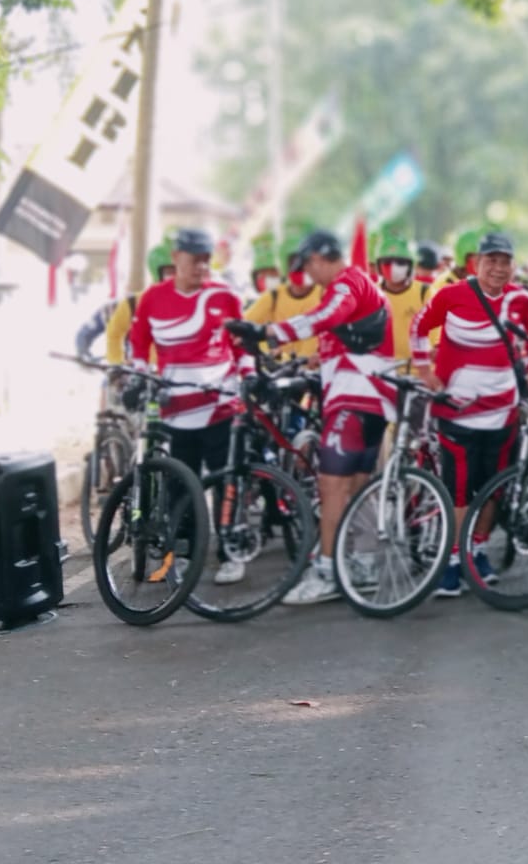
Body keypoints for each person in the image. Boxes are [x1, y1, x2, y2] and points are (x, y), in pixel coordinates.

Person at [228, 229, 396, 606]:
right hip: (372, 400)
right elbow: (341, 340)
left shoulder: (345, 283)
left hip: (354, 399)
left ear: (320, 258)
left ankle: (326, 571)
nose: (307, 274)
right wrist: (307, 367)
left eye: (307, 265)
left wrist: (268, 332)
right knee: (357, 487)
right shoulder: (359, 285)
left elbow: (326, 316)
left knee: (331, 488)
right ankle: (363, 565)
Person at [127, 229, 252, 585]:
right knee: (183, 484)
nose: (201, 266)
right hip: (177, 410)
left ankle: (231, 551)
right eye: (194, 258)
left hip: (221, 405)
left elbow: (240, 344)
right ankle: (183, 554)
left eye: (205, 259)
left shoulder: (225, 296)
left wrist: (249, 375)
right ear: (176, 256)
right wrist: (138, 375)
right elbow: (139, 345)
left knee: (225, 479)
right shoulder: (153, 298)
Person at [411, 231, 528, 597]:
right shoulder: (451, 295)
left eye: (504, 261)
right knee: (458, 490)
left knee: (495, 487)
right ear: (475, 263)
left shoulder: (521, 301)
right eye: (490, 260)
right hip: (457, 412)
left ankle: (476, 549)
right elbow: (419, 327)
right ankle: (452, 558)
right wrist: (424, 370)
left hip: (504, 414)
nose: (498, 268)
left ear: (512, 265)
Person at [242, 231, 324, 361]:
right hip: (280, 369)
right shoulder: (274, 296)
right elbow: (246, 326)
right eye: (293, 264)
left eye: (305, 264)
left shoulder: (324, 295)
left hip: (312, 371)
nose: (300, 269)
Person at [104, 240, 174, 365]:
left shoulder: (199, 302)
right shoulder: (133, 303)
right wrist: (117, 364)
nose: (177, 276)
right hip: (145, 375)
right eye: (170, 272)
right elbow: (114, 334)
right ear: (156, 271)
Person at [374, 229, 431, 362]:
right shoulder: (372, 294)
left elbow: (436, 333)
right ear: (379, 265)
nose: (393, 267)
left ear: (410, 265)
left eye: (400, 262)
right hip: (382, 370)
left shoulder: (424, 293)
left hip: (417, 371)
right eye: (387, 262)